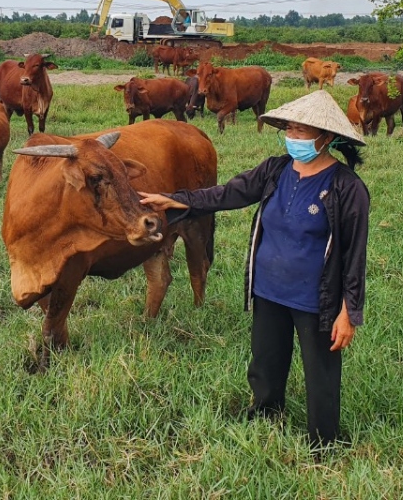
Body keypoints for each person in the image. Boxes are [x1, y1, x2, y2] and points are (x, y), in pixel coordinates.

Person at [139, 89, 369, 448]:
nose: (292, 138)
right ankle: (265, 411)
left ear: (325, 138)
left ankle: (325, 440)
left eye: (301, 132)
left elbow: (355, 254)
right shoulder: (275, 170)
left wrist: (349, 312)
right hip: (269, 289)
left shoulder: (346, 187)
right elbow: (227, 194)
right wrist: (177, 200)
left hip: (316, 298)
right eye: (289, 129)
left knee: (321, 373)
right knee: (265, 361)